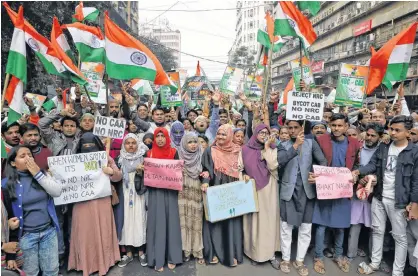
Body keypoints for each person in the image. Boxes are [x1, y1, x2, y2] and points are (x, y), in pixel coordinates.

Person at [354, 115, 418, 276]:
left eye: (398, 130)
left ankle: (397, 272)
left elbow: (416, 181)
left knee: (400, 237)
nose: (393, 133)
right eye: (391, 129)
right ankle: (374, 263)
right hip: (380, 196)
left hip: (400, 201)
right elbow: (373, 165)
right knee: (377, 230)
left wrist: (414, 203)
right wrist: (358, 171)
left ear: (408, 132)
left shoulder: (414, 152)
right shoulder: (384, 147)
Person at [2, 145, 62, 276]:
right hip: (26, 236)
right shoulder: (5, 185)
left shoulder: (42, 175)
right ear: (13, 163)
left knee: (52, 271)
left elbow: (57, 191)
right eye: (22, 156)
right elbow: (6, 217)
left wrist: (37, 174)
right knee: (30, 272)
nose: (28, 158)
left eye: (30, 155)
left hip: (48, 232)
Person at [68, 133, 122, 276]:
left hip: (102, 201)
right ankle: (85, 263)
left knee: (103, 230)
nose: (88, 149)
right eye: (85, 146)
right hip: (81, 203)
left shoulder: (106, 158)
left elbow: (118, 176)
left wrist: (111, 172)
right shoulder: (73, 161)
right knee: (84, 232)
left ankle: (106, 260)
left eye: (91, 145)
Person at [313, 113, 361, 274]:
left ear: (347, 126)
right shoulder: (321, 140)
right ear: (330, 126)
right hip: (326, 188)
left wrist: (356, 173)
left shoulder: (354, 143)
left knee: (341, 226)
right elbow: (314, 161)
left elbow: (358, 164)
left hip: (343, 189)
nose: (337, 128)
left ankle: (339, 255)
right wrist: (313, 175)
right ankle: (318, 256)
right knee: (321, 225)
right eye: (334, 125)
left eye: (340, 125)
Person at [277, 120, 327, 275]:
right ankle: (285, 259)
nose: (292, 130)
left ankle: (299, 260)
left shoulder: (311, 143)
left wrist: (317, 174)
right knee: (286, 227)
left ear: (302, 128)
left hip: (307, 191)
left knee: (305, 228)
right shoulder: (282, 145)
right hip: (288, 191)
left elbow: (323, 161)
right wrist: (295, 145)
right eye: (289, 128)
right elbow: (280, 161)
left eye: (296, 127)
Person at [201, 124, 243, 267]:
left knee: (231, 221)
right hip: (216, 189)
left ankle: (231, 254)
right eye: (218, 134)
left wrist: (246, 175)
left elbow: (244, 168)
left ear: (230, 135)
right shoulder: (209, 150)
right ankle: (214, 252)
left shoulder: (238, 150)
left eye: (224, 134)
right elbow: (205, 170)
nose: (220, 137)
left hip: (233, 190)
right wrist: (205, 181)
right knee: (215, 223)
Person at [240, 124, 281, 268]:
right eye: (261, 132)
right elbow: (240, 168)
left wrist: (268, 147)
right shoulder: (245, 149)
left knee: (268, 221)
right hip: (251, 188)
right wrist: (243, 175)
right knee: (254, 221)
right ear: (255, 133)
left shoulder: (273, 148)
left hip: (269, 189)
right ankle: (253, 253)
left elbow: (272, 165)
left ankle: (270, 254)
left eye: (266, 133)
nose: (263, 135)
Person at [143, 127, 182, 272]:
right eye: (157, 136)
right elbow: (145, 175)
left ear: (167, 137)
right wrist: (142, 169)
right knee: (156, 223)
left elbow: (178, 173)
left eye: (162, 136)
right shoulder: (149, 153)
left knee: (172, 223)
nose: (160, 139)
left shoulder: (173, 152)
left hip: (170, 192)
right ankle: (156, 258)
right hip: (155, 193)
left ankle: (173, 257)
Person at [347, 123, 384, 263]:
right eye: (368, 134)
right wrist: (358, 176)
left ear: (380, 137)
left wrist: (374, 179)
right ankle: (351, 254)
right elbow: (352, 164)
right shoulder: (359, 146)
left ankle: (374, 259)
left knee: (374, 227)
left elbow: (380, 168)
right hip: (357, 190)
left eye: (373, 136)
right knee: (354, 223)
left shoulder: (384, 149)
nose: (369, 137)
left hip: (374, 194)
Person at [116, 134, 148, 268]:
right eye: (127, 143)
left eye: (133, 143)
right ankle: (128, 253)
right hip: (125, 193)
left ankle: (141, 252)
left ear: (137, 144)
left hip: (139, 193)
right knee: (126, 221)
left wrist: (142, 171)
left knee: (139, 220)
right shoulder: (119, 159)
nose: (130, 145)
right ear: (124, 145)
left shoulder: (143, 158)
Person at [178, 133, 204, 264]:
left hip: (197, 190)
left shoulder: (202, 154)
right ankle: (185, 250)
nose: (193, 144)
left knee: (196, 220)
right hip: (183, 191)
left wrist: (206, 175)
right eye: (190, 142)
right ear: (184, 143)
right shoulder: (178, 155)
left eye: (195, 141)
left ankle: (197, 250)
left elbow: (207, 171)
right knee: (184, 221)